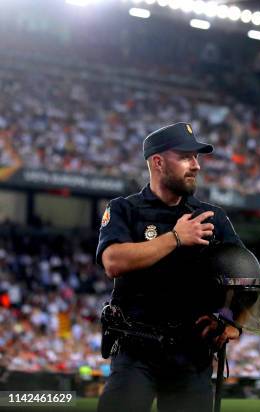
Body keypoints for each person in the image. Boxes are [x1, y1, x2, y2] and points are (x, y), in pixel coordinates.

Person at [96, 122, 244, 412]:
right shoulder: (124, 209)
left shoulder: (212, 217)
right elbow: (113, 261)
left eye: (197, 157)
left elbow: (244, 276)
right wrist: (176, 238)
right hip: (136, 351)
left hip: (192, 356)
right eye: (187, 157)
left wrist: (229, 320)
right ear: (158, 162)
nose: (196, 166)